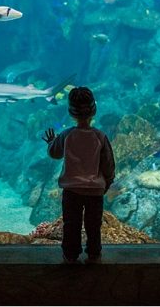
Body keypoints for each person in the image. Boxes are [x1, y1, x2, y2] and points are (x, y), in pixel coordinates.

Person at [43, 87, 115, 265]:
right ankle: (94, 256)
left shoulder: (67, 135)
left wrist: (52, 141)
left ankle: (70, 256)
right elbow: (108, 164)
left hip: (72, 191)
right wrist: (106, 183)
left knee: (71, 225)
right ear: (94, 110)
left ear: (70, 112)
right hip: (95, 191)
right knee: (93, 226)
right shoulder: (100, 136)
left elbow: (54, 153)